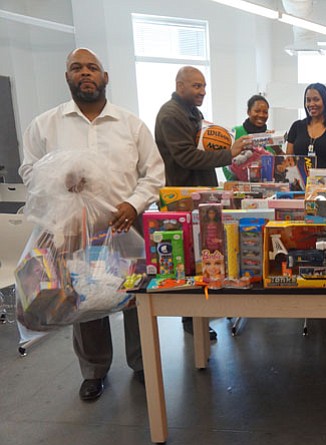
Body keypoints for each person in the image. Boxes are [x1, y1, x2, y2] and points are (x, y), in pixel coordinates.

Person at [19, 48, 165, 401]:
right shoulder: (45, 124)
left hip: (125, 225)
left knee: (135, 297)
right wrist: (58, 182)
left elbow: (155, 172)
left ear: (105, 77)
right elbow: (29, 171)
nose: (85, 73)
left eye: (92, 68)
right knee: (83, 301)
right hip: (72, 229)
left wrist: (133, 204)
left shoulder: (131, 124)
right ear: (67, 77)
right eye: (76, 68)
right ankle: (93, 370)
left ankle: (142, 362)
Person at [155, 66, 249, 340]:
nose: (202, 91)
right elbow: (186, 157)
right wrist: (228, 155)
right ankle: (191, 319)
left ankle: (199, 314)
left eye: (204, 86)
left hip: (198, 194)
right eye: (196, 86)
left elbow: (202, 148)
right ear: (179, 85)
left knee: (203, 255)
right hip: (182, 198)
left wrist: (230, 155)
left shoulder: (192, 113)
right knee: (190, 259)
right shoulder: (171, 115)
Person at [286, 83, 326, 168]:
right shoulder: (296, 127)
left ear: (325, 101)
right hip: (301, 180)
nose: (311, 104)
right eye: (308, 100)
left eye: (316, 99)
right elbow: (288, 159)